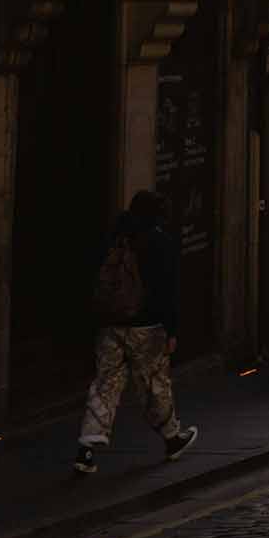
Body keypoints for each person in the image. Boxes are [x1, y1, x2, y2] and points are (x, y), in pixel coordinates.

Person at [74, 191, 197, 474]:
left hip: (111, 325)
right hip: (147, 326)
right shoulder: (160, 243)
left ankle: (86, 449)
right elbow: (168, 291)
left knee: (105, 384)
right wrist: (172, 329)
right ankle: (171, 439)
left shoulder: (114, 239)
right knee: (154, 383)